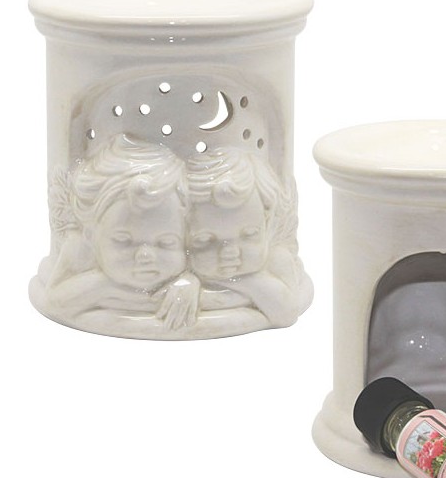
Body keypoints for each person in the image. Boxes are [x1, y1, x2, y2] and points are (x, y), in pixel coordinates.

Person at [48, 134, 199, 332]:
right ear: (91, 235)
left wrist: (190, 283)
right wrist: (104, 286)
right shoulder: (79, 247)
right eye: (123, 241)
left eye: (166, 242)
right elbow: (56, 301)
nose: (145, 255)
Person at [186, 147, 306, 328]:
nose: (229, 252)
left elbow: (287, 314)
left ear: (268, 223)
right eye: (206, 240)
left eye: (249, 235)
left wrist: (249, 281)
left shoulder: (276, 259)